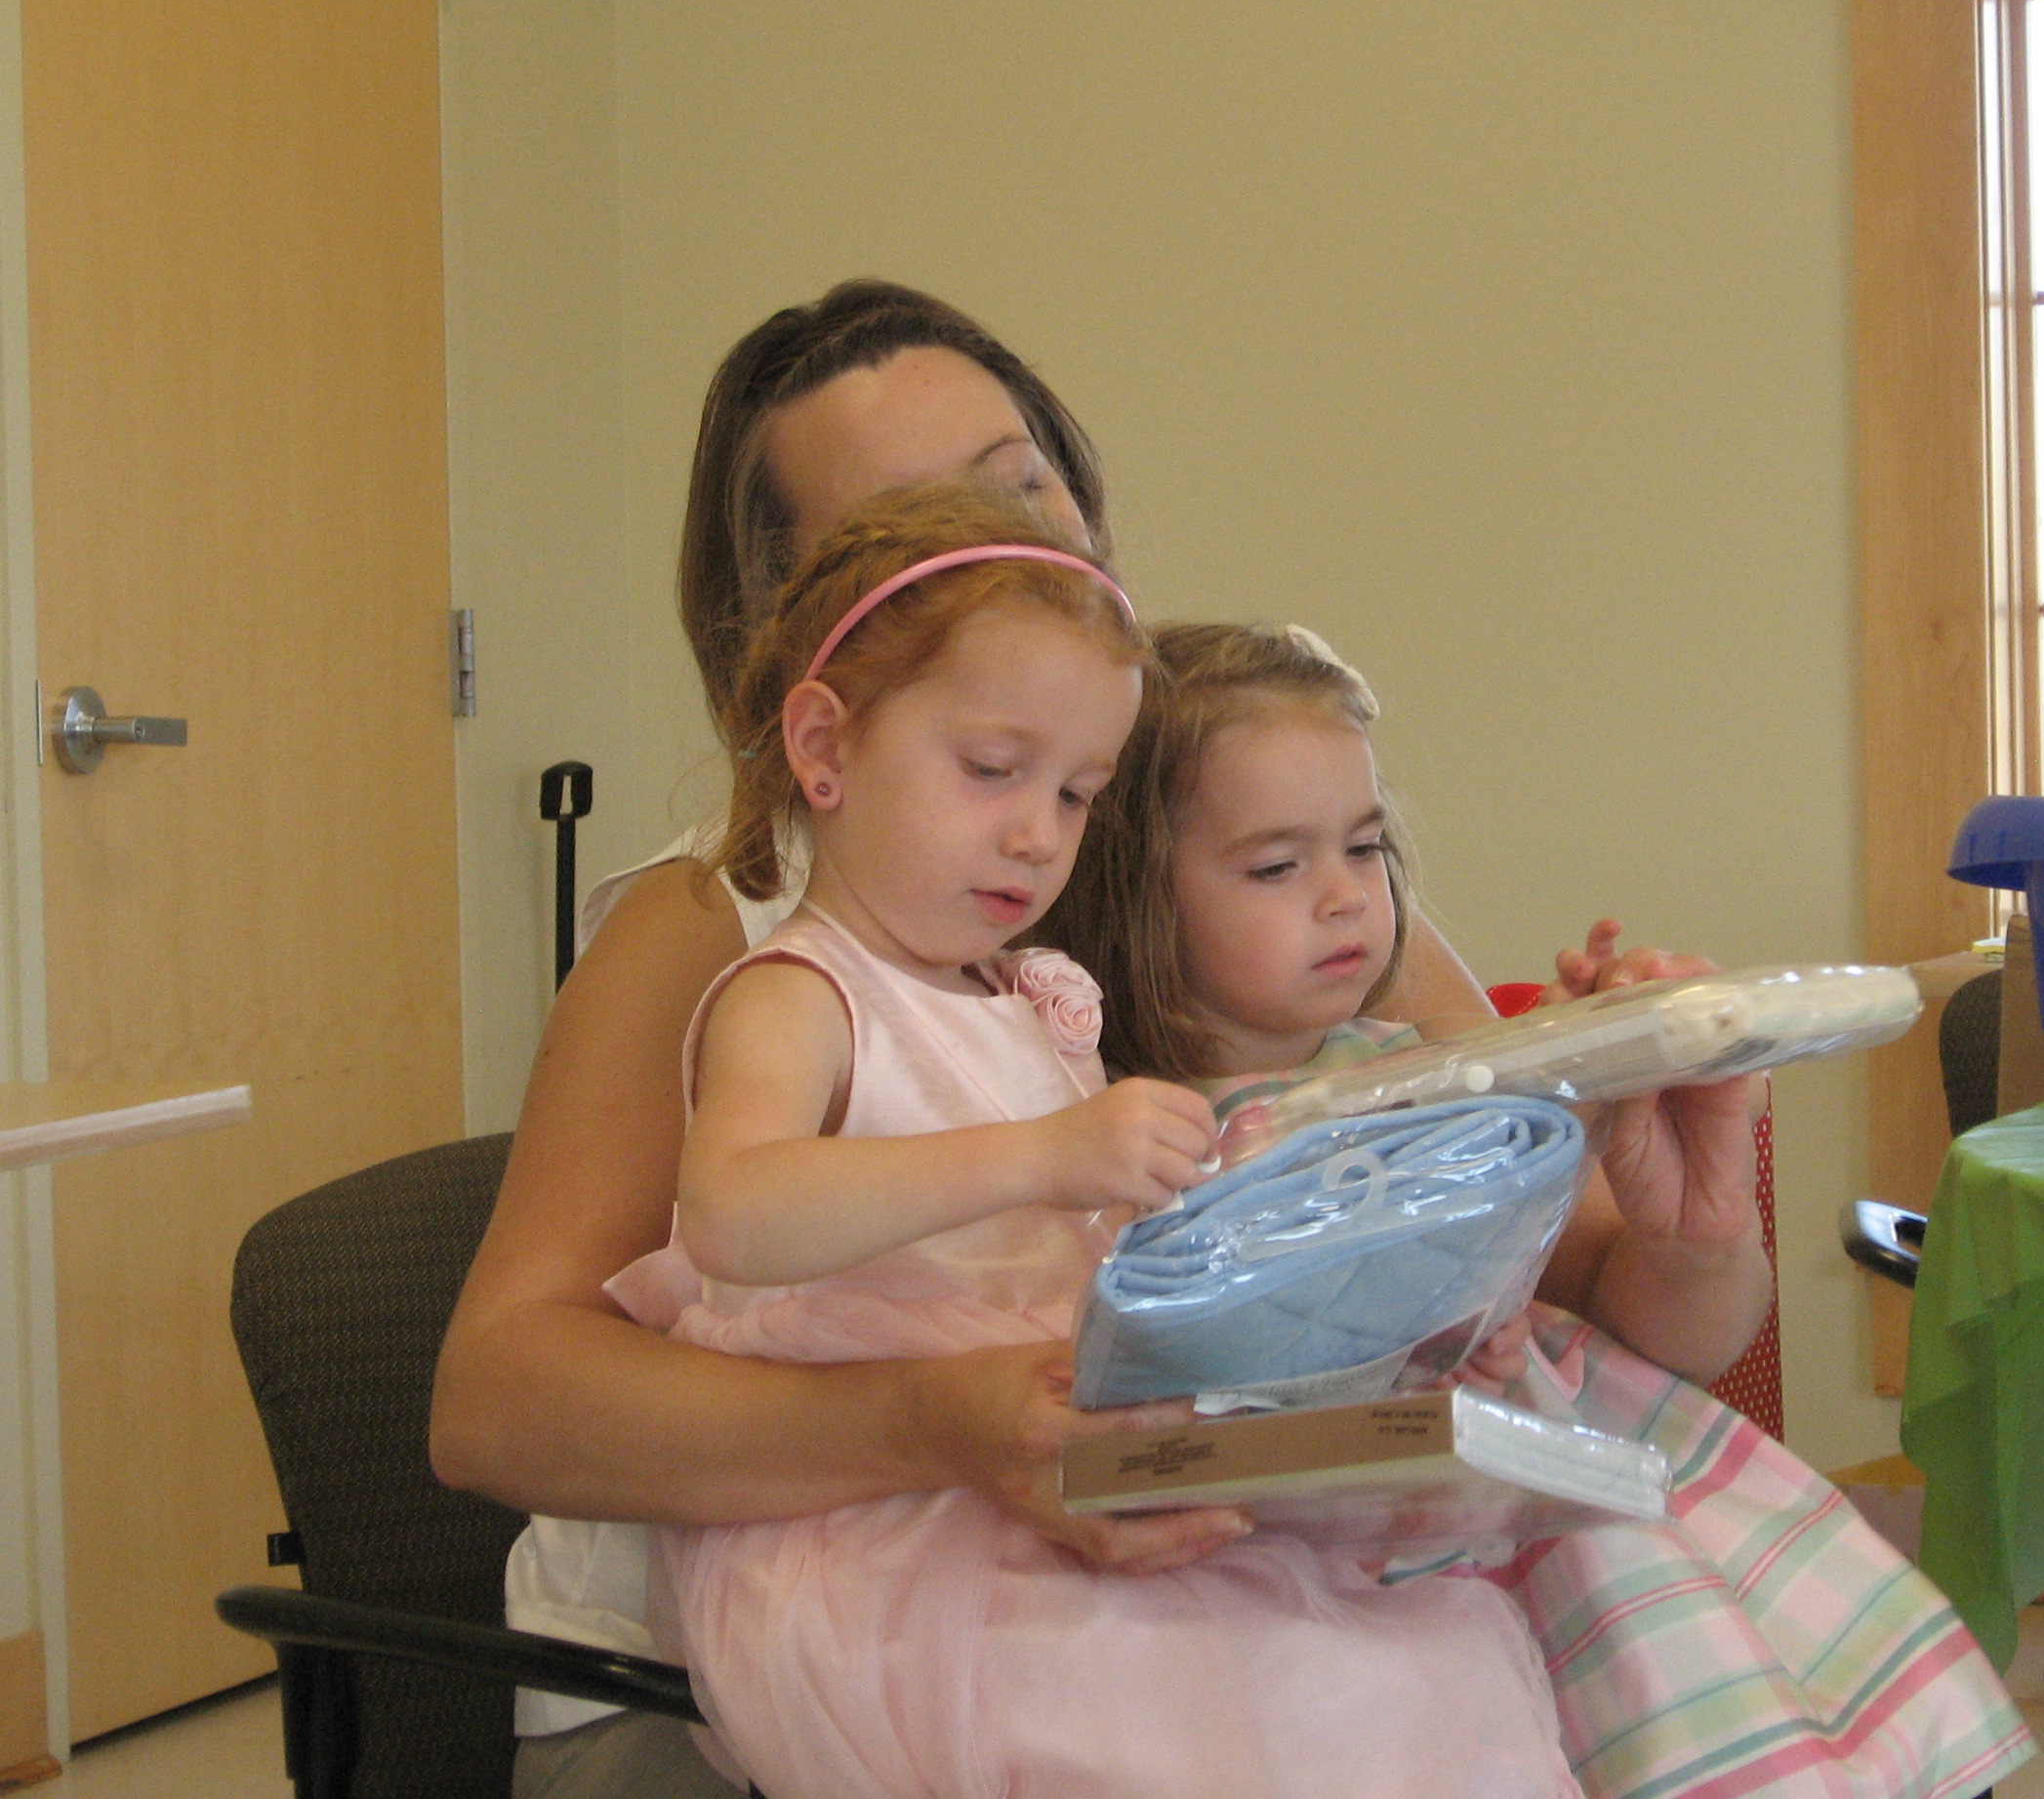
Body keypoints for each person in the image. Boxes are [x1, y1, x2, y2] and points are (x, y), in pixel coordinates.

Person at [423, 281, 1784, 1796]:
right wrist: (939, 1423)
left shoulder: (1251, 830)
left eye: (1016, 492)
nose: (995, 554)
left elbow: (1624, 1294)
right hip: (735, 1659)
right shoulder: (727, 928)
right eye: (907, 533)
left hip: (1174, 1575)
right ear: (809, 655)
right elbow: (498, 1406)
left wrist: (1691, 1234)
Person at [603, 486, 1580, 1798]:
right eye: (991, 770)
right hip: (885, 1536)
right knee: (1240, 1711)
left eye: (1076, 794)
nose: (1037, 834)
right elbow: (734, 1213)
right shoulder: (801, 995)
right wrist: (1042, 1155)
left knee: (1412, 1657)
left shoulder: (1027, 1001)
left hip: (1047, 1470)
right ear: (825, 746)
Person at [1036, 623, 2035, 1799]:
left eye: (1364, 846)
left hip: (1542, 1486)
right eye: (1275, 868)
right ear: (1129, 893)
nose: (1347, 897)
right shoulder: (1110, 1131)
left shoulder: (1434, 1075)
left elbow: (1673, 1322)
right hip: (1309, 1554)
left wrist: (1619, 1133)